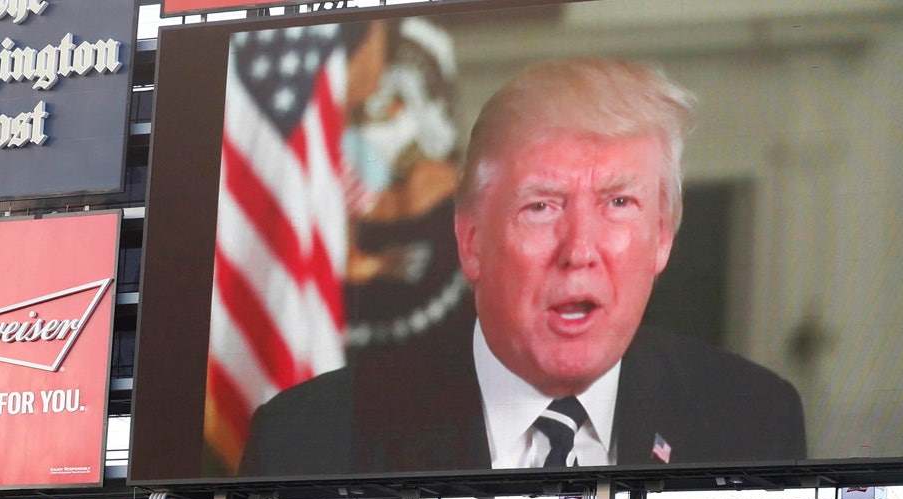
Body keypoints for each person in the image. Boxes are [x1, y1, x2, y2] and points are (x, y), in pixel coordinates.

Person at [240, 57, 805, 476]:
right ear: (471, 239)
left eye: (618, 203)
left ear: (662, 237)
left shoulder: (754, 421)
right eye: (541, 206)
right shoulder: (311, 439)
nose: (580, 249)